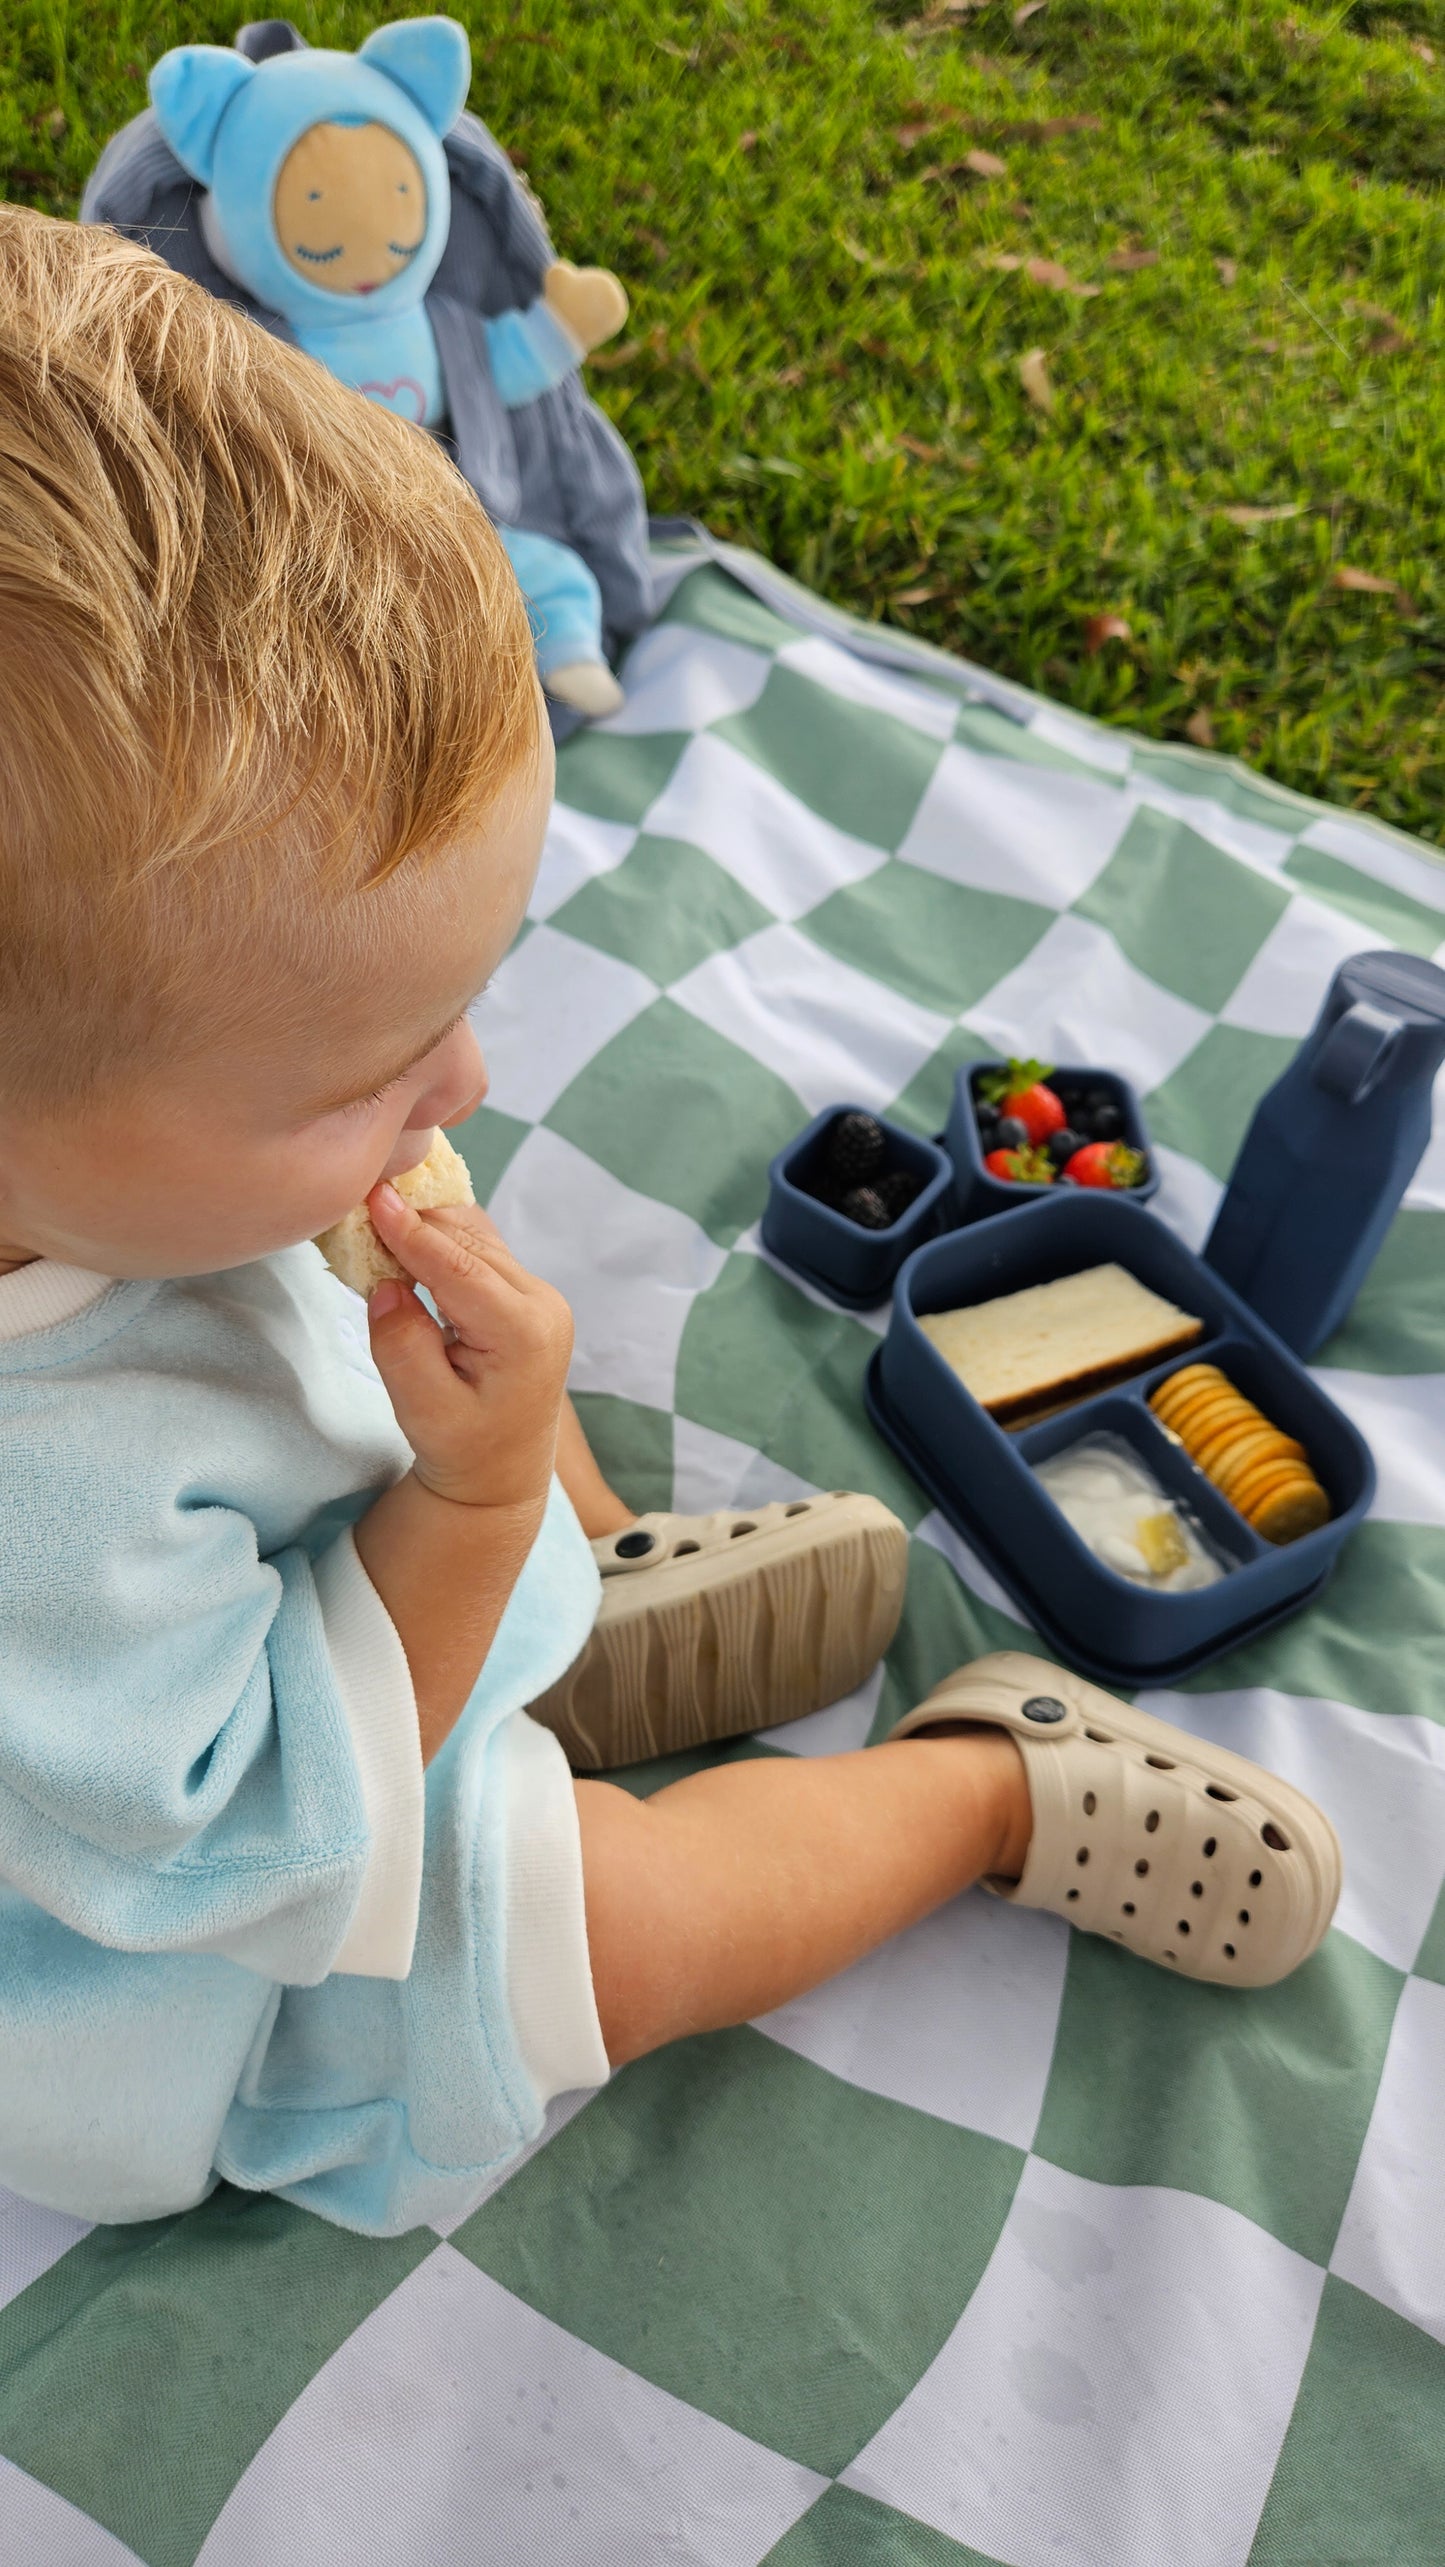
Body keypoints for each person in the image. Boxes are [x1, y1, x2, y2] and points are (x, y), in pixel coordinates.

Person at [0, 208, 1342, 2241]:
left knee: (437, 1284)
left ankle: (600, 1576)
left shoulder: (124, 1127)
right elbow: (246, 1850)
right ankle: (988, 1787)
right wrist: (455, 1517)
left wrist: (455, 1409)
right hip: (208, 1862)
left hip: (309, 1566)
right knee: (574, 1935)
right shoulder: (45, 1518)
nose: (456, 1085)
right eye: (361, 1068)